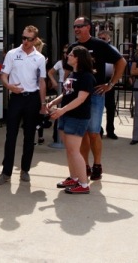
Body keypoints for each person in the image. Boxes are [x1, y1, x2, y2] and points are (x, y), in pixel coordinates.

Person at [65, 16, 126, 181]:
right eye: (74, 26)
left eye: (80, 26)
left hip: (95, 95)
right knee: (82, 132)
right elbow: (67, 72)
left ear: (88, 27)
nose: (76, 29)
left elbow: (121, 62)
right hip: (77, 96)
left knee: (93, 132)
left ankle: (97, 165)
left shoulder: (100, 45)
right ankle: (84, 166)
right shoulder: (73, 47)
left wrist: (111, 84)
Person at [0, 25, 48, 185]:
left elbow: (42, 82)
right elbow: (4, 75)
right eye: (23, 38)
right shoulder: (12, 54)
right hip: (16, 98)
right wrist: (9, 87)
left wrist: (43, 103)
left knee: (29, 136)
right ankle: (6, 172)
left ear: (35, 40)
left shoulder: (39, 58)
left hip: (32, 99)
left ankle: (25, 170)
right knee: (11, 136)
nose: (25, 41)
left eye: (29, 39)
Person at [47, 46, 96, 194]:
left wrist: (62, 110)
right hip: (67, 116)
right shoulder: (72, 74)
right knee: (69, 150)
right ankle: (74, 178)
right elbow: (67, 93)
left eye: (71, 54)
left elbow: (81, 99)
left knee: (75, 151)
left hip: (77, 117)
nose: (67, 56)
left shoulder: (87, 77)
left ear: (78, 58)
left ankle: (83, 184)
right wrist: (54, 102)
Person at [98, 30, 120, 140]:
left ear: (109, 39)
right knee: (98, 107)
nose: (102, 40)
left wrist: (112, 82)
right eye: (100, 38)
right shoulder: (95, 49)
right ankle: (99, 130)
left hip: (108, 79)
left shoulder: (113, 50)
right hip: (97, 80)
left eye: (104, 38)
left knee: (110, 106)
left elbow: (118, 65)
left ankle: (110, 130)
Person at [47, 43, 69, 143]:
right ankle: (57, 137)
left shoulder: (74, 62)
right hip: (62, 86)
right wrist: (54, 81)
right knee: (59, 110)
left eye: (67, 52)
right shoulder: (60, 63)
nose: (65, 54)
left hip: (71, 87)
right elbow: (50, 72)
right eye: (64, 52)